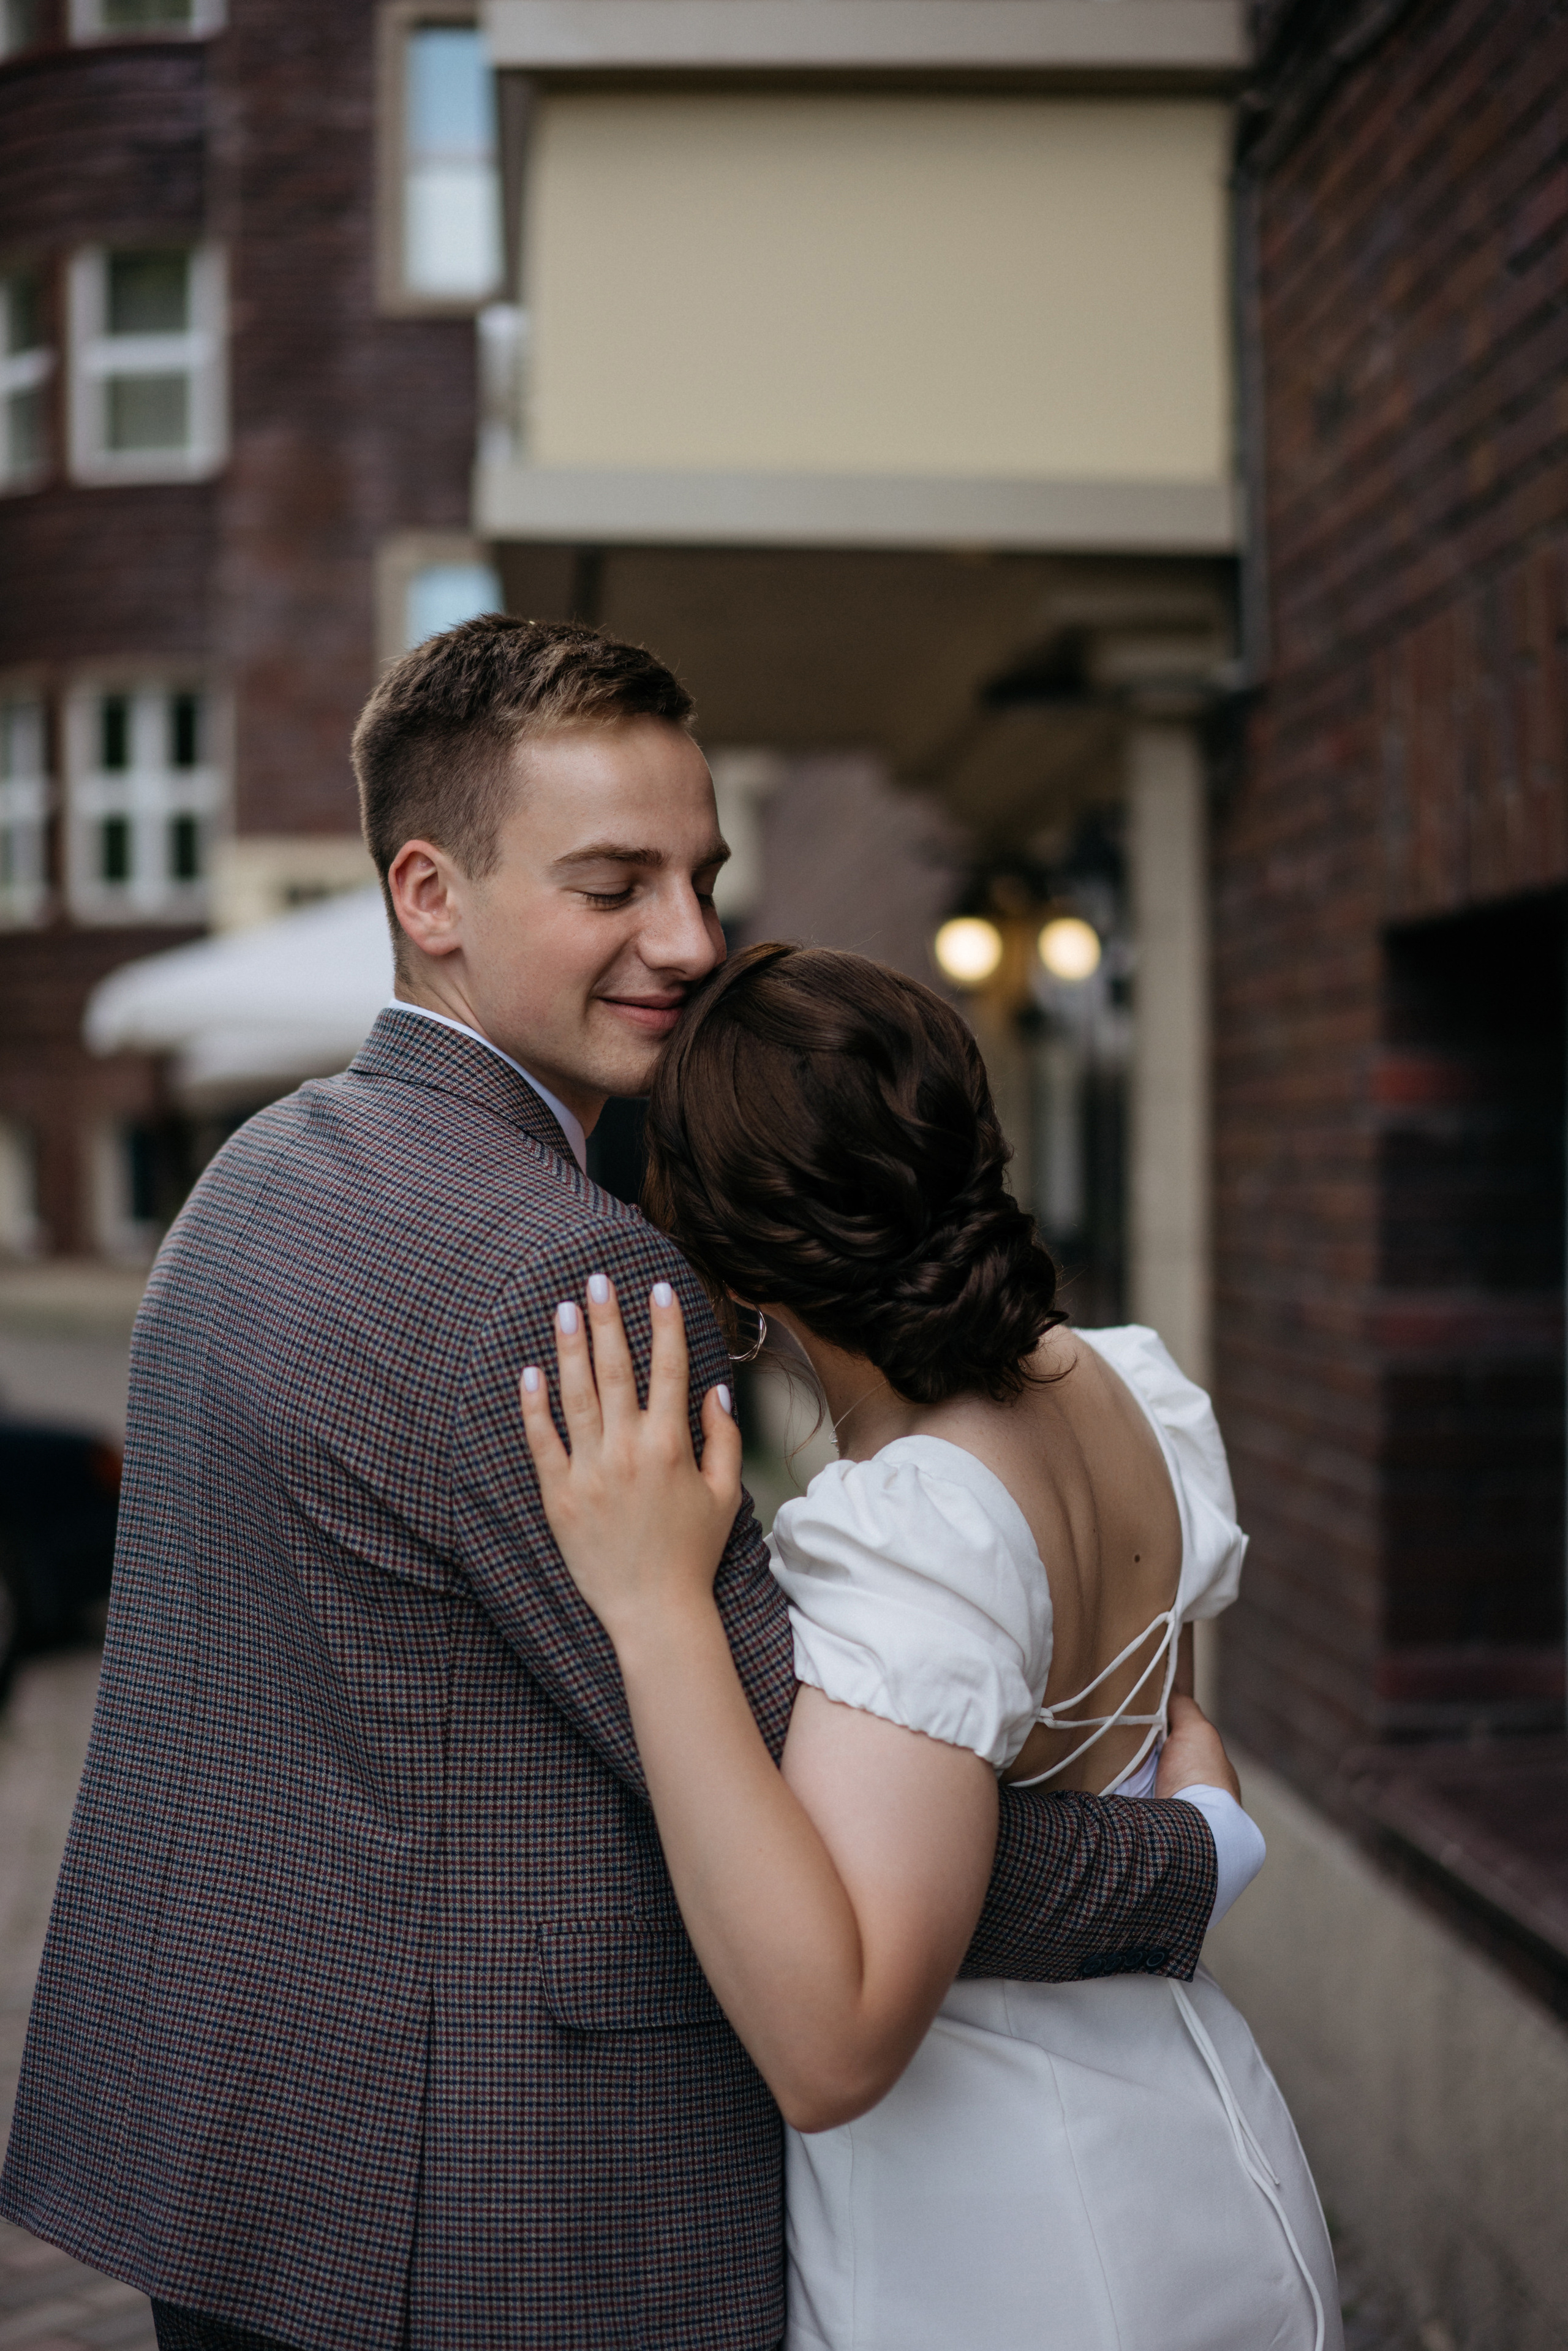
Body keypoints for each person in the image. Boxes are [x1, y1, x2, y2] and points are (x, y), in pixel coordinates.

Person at [3, 618, 1240, 2351]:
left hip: (231, 2155)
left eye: (701, 871)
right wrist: (1185, 1855)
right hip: (486, 2211)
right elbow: (827, 1827)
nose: (689, 937)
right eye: (614, 883)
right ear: (430, 894)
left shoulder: (255, 1171)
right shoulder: (574, 1279)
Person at [518, 940, 1342, 2351]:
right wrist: (1203, 1829)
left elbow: (832, 2043)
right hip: (1211, 2152)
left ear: (730, 1265)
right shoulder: (1130, 1384)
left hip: (1012, 2242)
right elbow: (1169, 1745)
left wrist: (655, 1609)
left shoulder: (907, 1527)